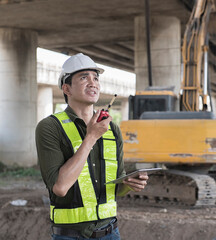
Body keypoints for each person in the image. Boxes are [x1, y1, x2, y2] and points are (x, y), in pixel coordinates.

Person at [35, 53, 148, 240]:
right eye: (83, 77)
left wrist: (129, 184)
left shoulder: (112, 129)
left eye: (96, 78)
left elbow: (116, 187)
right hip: (70, 236)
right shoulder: (50, 127)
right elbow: (60, 187)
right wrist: (90, 138)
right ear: (66, 89)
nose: (93, 82)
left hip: (110, 232)